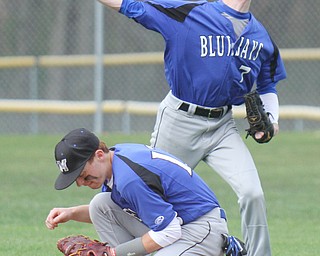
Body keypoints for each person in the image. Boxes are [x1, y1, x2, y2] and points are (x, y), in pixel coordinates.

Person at [95, 0, 287, 255]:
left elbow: (267, 85)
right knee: (149, 195)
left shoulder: (261, 37)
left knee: (253, 193)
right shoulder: (190, 13)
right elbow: (130, 5)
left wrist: (271, 119)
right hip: (179, 120)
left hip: (222, 126)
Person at [45, 128, 246, 256]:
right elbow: (126, 207)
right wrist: (71, 213)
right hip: (178, 224)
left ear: (99, 155)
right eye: (75, 179)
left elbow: (169, 231)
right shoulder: (115, 161)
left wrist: (113, 253)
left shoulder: (129, 179)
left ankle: (219, 251)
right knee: (100, 205)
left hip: (201, 228)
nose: (81, 182)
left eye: (82, 174)